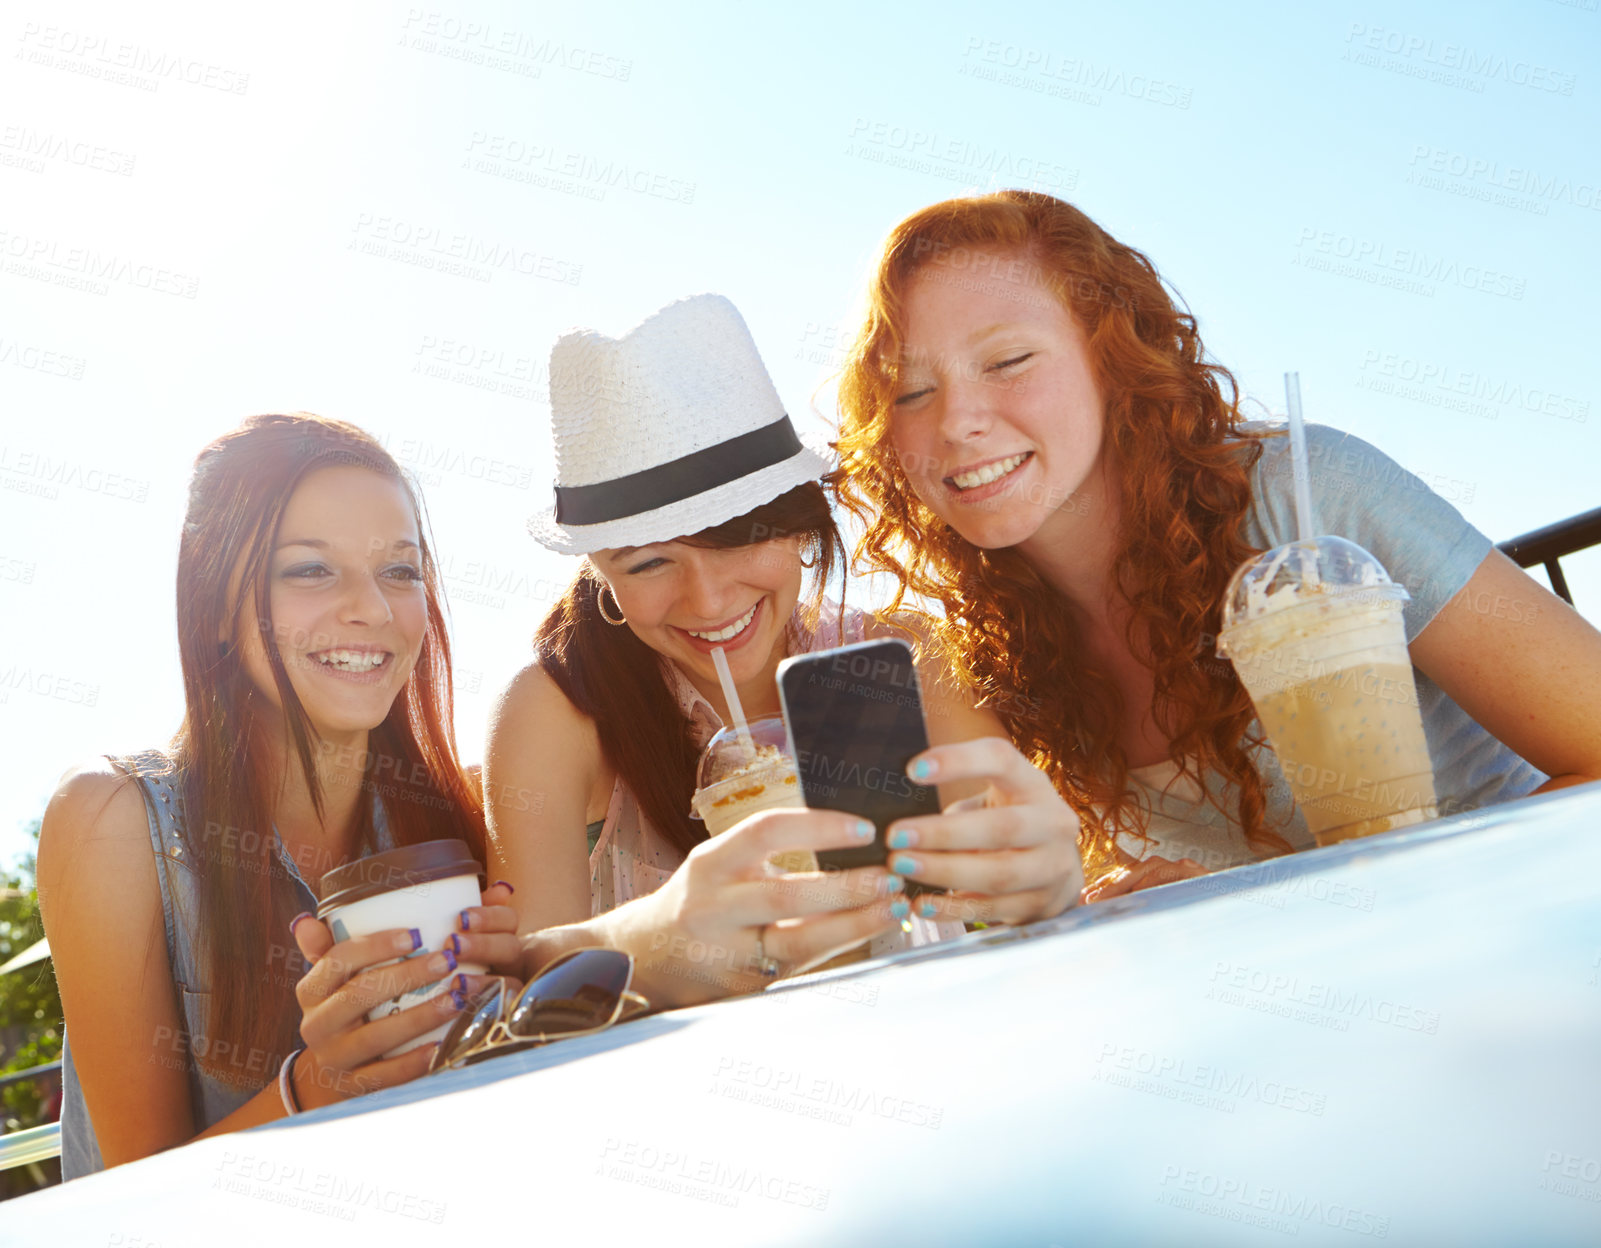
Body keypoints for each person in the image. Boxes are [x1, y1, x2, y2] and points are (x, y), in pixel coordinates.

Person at [831, 191, 1601, 900]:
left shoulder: (1305, 497)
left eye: (1007, 362)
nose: (956, 419)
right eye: (909, 391)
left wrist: (1313, 904)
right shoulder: (978, 646)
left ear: (1110, 357)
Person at [489, 294, 1084, 1006]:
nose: (707, 602)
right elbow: (535, 1002)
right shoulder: (556, 710)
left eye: (737, 536)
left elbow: (1003, 898)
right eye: (648, 563)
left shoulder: (898, 661)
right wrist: (654, 939)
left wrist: (1040, 880)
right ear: (602, 577)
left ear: (800, 523)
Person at [38, 414, 521, 1176]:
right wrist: (317, 1083)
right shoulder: (111, 821)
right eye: (309, 570)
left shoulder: (462, 812)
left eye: (400, 570)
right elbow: (132, 1200)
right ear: (217, 607)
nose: (373, 608)